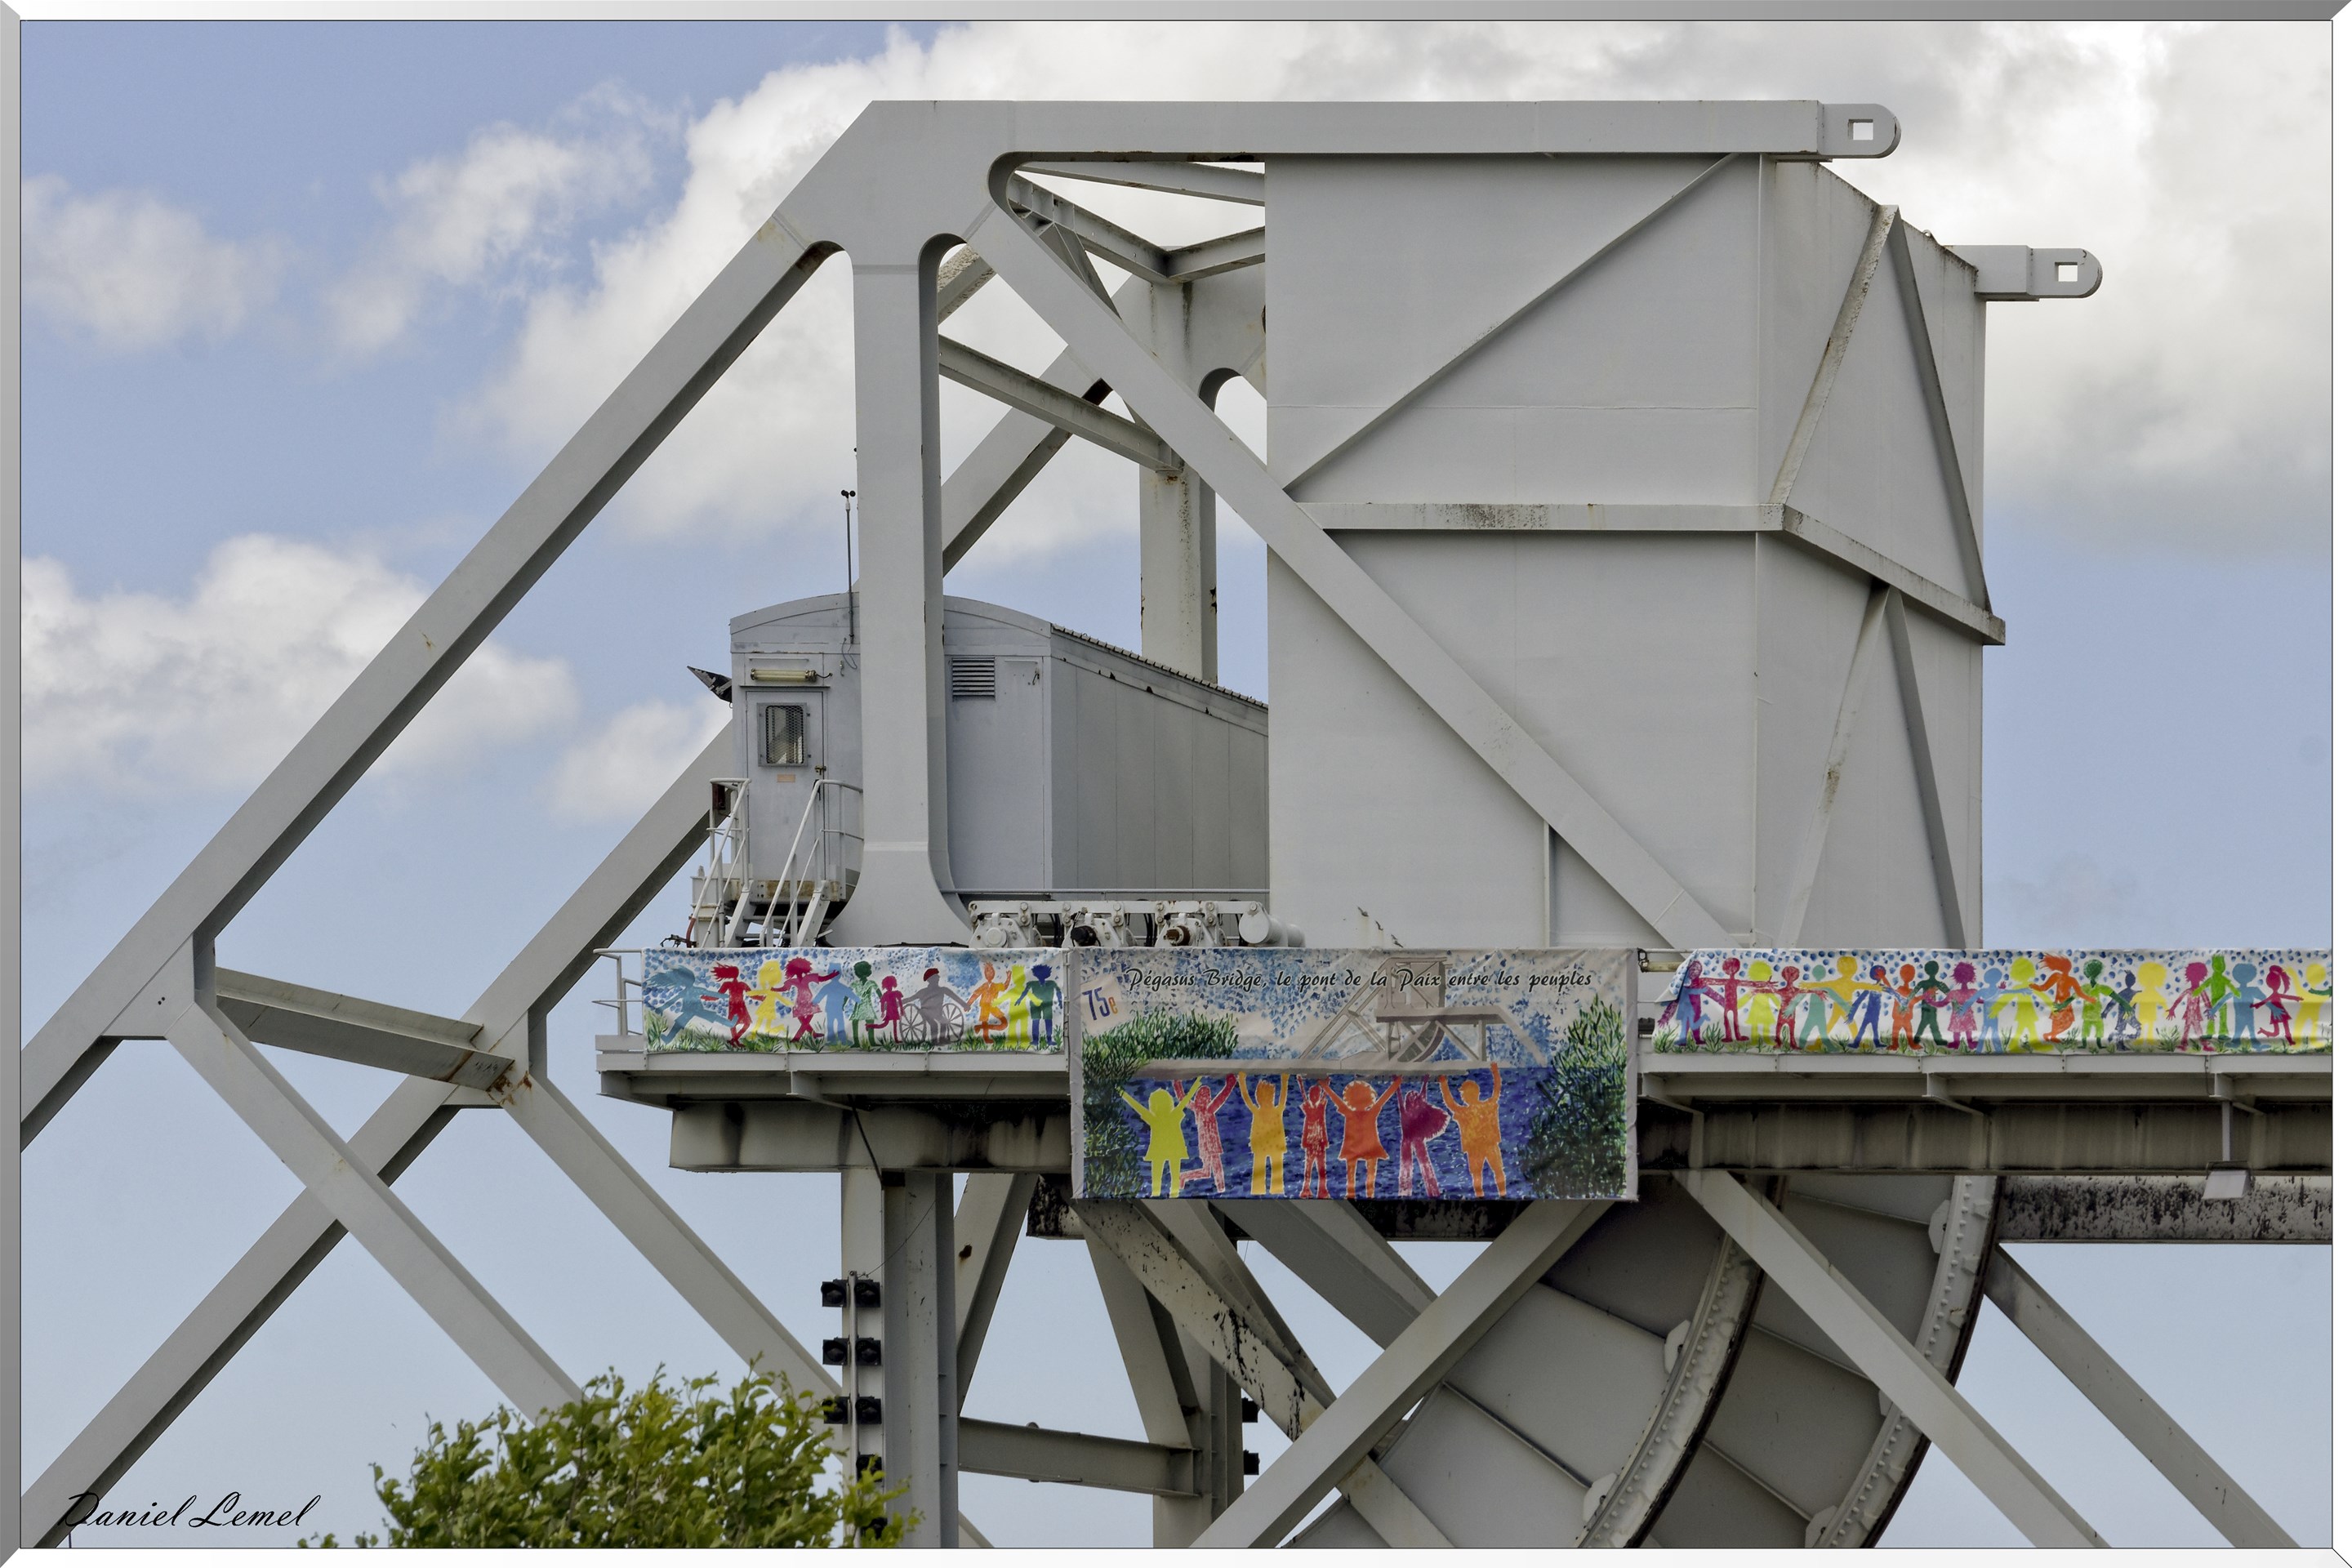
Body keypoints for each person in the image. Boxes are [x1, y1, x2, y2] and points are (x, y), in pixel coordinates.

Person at [1118, 1081, 1196, 1197]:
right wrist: (1195, 1086)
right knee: (1174, 1176)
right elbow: (1184, 1101)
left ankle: (1157, 1194)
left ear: (1153, 1105)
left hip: (1158, 1150)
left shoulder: (1153, 1118)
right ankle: (1173, 1195)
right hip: (1174, 1149)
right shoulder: (1174, 1115)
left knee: (1157, 1177)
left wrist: (1123, 1094)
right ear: (1169, 1103)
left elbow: (1137, 1106)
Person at [1441, 1064, 1507, 1197]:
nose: (1463, 1097)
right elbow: (1496, 1091)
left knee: (1487, 1173)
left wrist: (1443, 1084)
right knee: (1487, 1173)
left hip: (1484, 1146)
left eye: (1463, 1094)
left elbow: (1451, 1104)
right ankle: (1498, 1195)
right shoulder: (1484, 1107)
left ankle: (1493, 1195)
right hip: (1481, 1146)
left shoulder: (1472, 1110)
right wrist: (1495, 1072)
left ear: (1471, 1094)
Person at [1334, 1078, 1401, 1197]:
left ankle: (1352, 1194)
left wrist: (1325, 1086)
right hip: (1368, 1146)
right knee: (1369, 1172)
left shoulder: (1349, 1113)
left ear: (1350, 1099)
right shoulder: (1371, 1112)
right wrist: (1397, 1083)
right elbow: (1385, 1097)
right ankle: (1367, 1194)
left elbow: (1335, 1099)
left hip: (1355, 1147)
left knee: (1353, 1171)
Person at [1177, 1076, 1236, 1192]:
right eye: (1205, 1096)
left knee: (1206, 1172)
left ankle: (1184, 1176)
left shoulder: (1197, 1109)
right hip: (1211, 1144)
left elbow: (1182, 1098)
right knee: (1216, 1168)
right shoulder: (1208, 1109)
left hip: (1205, 1145)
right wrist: (1230, 1084)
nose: (1207, 1098)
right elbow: (1221, 1097)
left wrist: (1177, 1083)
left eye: (1207, 1096)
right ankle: (1221, 1188)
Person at [1396, 1078, 1452, 1196]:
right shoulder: (1409, 1112)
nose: (1414, 1097)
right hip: (1410, 1141)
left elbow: (1421, 1095)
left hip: (1411, 1141)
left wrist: (1425, 1082)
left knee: (1417, 1165)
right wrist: (1398, 1085)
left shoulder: (1410, 1112)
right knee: (1414, 1165)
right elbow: (1403, 1099)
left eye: (1414, 1096)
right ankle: (1428, 1192)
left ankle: (1409, 1192)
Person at [1241, 1074, 1289, 1195]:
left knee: (1267, 1171)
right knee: (1262, 1171)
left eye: (1270, 1096)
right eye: (1269, 1097)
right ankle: (1265, 1190)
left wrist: (1242, 1080)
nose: (1269, 1099)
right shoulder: (1273, 1111)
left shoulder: (1261, 1111)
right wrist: (1284, 1080)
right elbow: (1247, 1099)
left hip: (1269, 1145)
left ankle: (1266, 1190)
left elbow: (1247, 1099)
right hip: (1267, 1145)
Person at [703, 963, 756, 1048]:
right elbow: (752, 995)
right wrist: (707, 998)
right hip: (738, 1006)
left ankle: (734, 1040)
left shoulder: (732, 984)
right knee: (741, 1024)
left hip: (737, 1006)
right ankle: (735, 1041)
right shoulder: (740, 984)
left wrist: (706, 997)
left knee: (739, 1024)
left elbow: (717, 997)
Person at [1298, 1081, 1336, 1196]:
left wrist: (1326, 1084)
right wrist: (1300, 1083)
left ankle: (1322, 1190)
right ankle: (1306, 1188)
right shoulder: (1308, 1107)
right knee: (1308, 1168)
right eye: (1312, 1095)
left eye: (1316, 1095)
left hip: (1320, 1142)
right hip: (1310, 1142)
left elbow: (1324, 1096)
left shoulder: (1320, 1107)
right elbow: (1303, 1096)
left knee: (1321, 1168)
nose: (1314, 1097)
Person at [964, 961, 1011, 1044]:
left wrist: (1009, 976)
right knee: (985, 1022)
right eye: (987, 971)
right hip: (985, 1006)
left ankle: (979, 1027)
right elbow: (975, 995)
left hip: (993, 1006)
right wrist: (968, 1004)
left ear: (994, 972)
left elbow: (1005, 986)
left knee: (1004, 1024)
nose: (990, 973)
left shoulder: (996, 986)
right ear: (985, 974)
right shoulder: (984, 986)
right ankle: (986, 1038)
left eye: (991, 971)